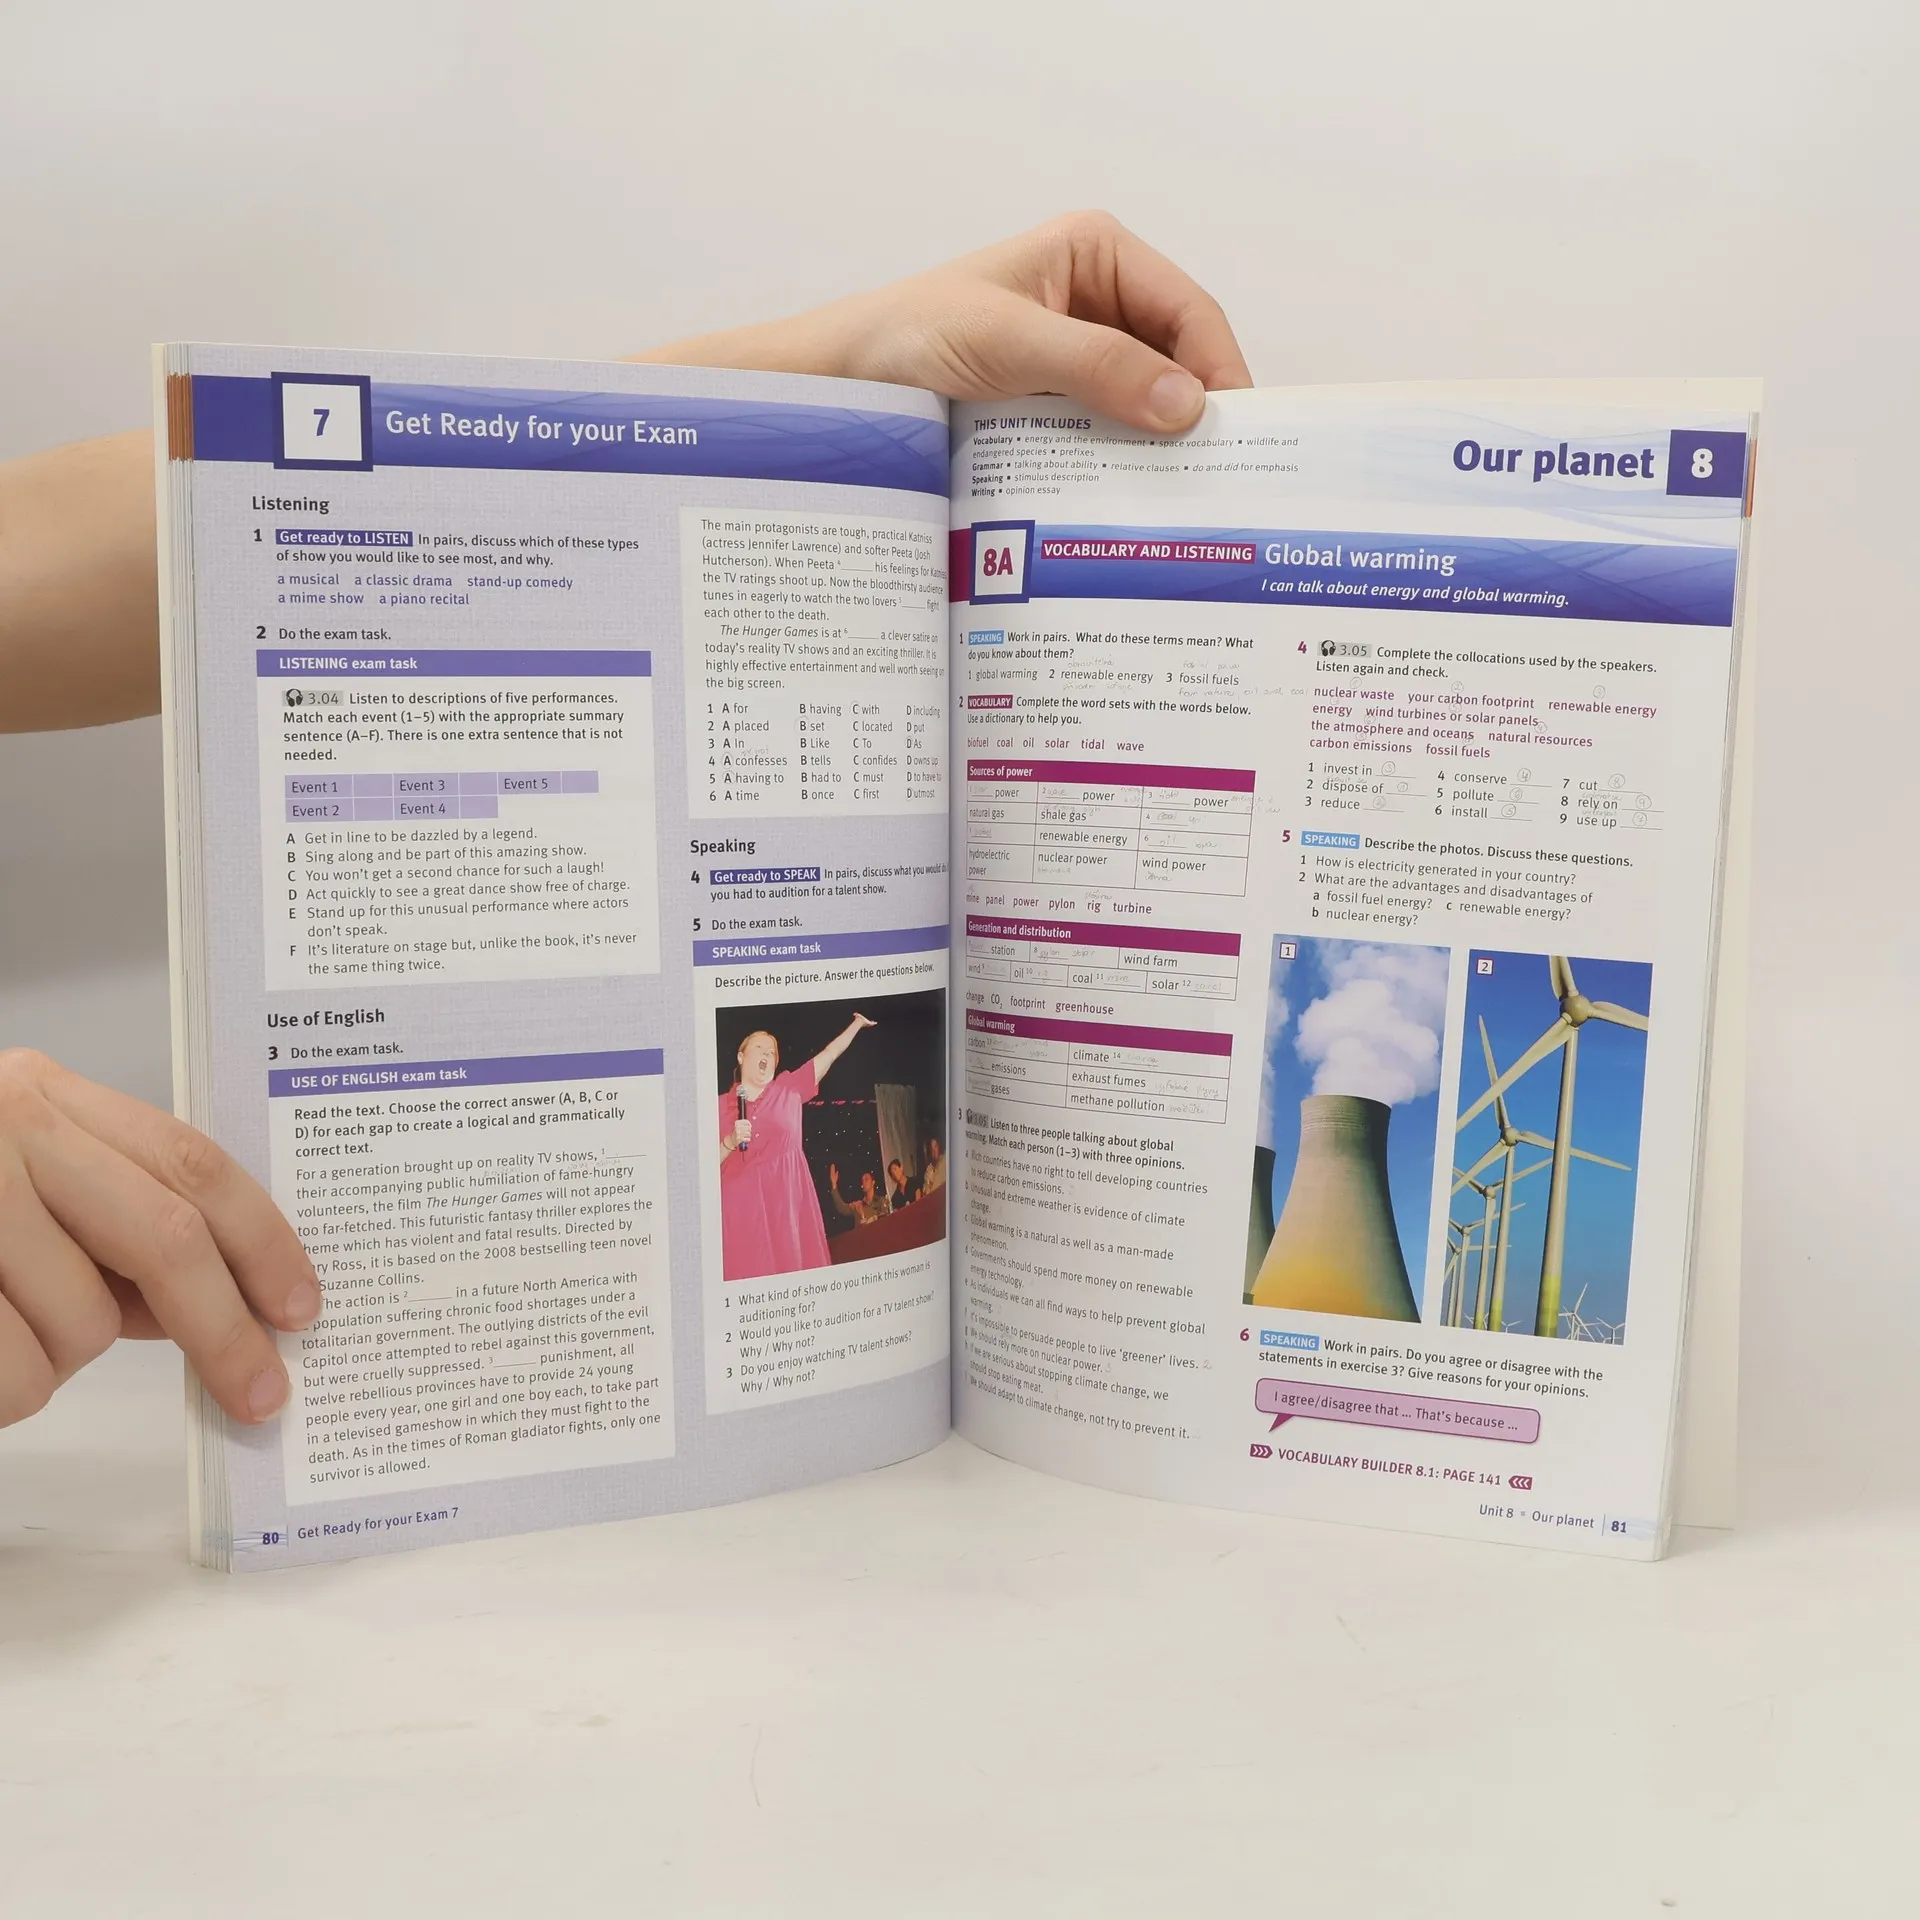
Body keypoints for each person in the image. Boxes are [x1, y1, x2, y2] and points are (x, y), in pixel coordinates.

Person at [0, 210, 1251, 1431]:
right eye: (749, 1053)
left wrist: (834, 372)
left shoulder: (781, 1087)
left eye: (756, 1054)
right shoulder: (732, 1109)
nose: (755, 1062)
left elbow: (128, 545)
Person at [719, 1014, 875, 1279]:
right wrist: (729, 1142)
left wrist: (856, 1024)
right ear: (741, 1057)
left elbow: (829, 1055)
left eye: (772, 1052)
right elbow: (697, 1170)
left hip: (786, 1207)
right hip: (739, 1215)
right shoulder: (717, 1106)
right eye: (759, 1047)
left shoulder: (788, 1089)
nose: (766, 1054)